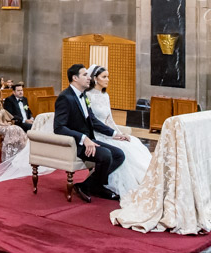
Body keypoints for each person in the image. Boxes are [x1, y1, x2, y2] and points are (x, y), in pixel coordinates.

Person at [54, 64, 128, 203]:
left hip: (89, 140)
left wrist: (114, 134)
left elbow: (92, 120)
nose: (89, 78)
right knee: (106, 154)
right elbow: (59, 128)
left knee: (119, 154)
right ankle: (95, 186)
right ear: (75, 78)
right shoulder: (65, 97)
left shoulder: (83, 95)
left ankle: (89, 185)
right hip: (75, 143)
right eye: (85, 75)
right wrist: (83, 138)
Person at [86, 65, 152, 198]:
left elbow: (109, 119)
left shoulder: (105, 95)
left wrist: (119, 134)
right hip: (97, 134)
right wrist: (113, 134)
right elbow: (92, 121)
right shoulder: (87, 96)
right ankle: (99, 183)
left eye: (108, 76)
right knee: (123, 150)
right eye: (104, 77)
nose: (108, 79)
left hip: (108, 132)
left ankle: (148, 180)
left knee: (133, 142)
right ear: (95, 78)